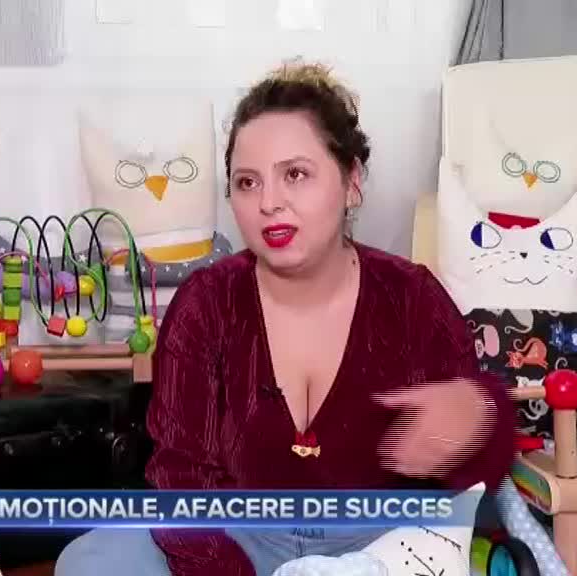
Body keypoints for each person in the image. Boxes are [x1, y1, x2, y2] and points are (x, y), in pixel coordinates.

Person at [55, 60, 516, 576]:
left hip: (379, 543)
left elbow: (483, 474)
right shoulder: (205, 303)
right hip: (239, 534)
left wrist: (478, 418)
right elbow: (180, 479)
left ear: (352, 181)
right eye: (247, 182)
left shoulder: (413, 298)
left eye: (295, 174)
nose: (269, 203)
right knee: (90, 560)